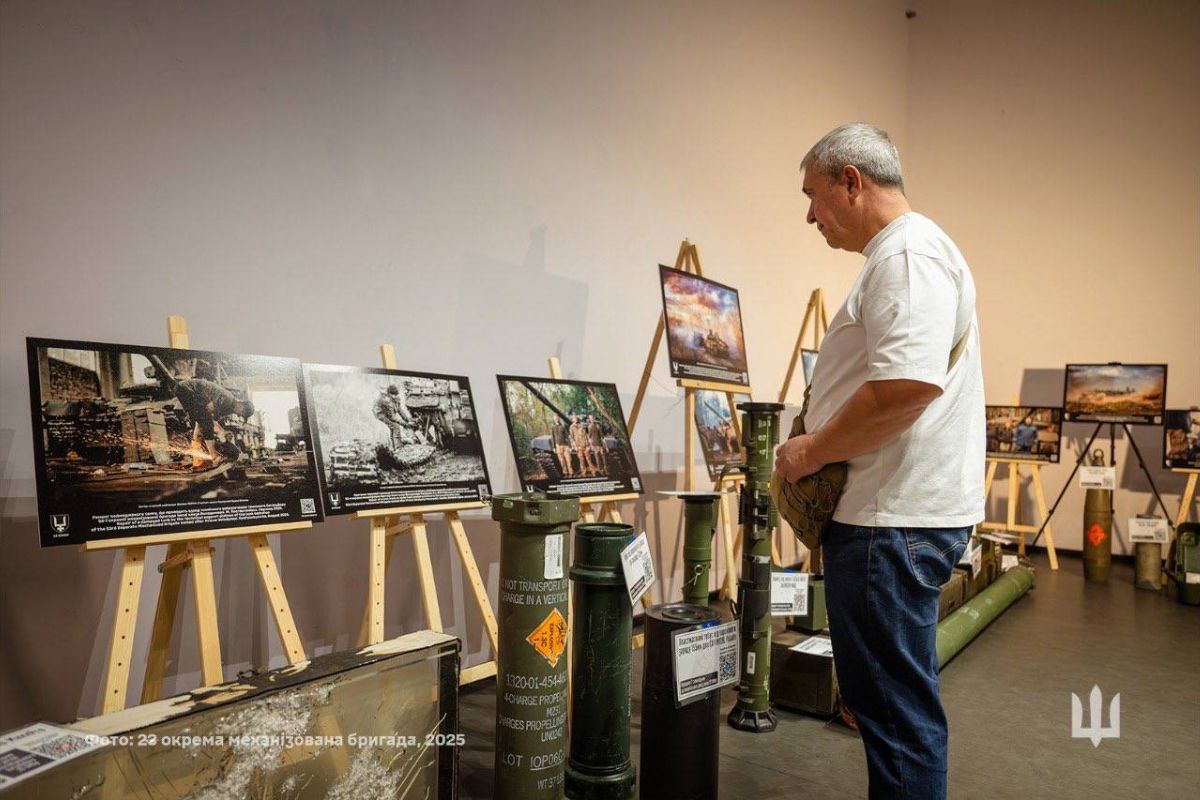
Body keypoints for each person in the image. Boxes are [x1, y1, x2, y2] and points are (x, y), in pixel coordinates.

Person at [774, 123, 984, 800]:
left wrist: (808, 449)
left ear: (851, 182)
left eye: (813, 194)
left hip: (889, 524)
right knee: (890, 706)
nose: (809, 213)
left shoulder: (908, 256)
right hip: (888, 520)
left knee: (893, 714)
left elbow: (905, 388)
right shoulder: (908, 254)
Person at [150, 354, 256, 471]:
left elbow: (213, 420)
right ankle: (214, 457)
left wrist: (223, 432)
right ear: (241, 405)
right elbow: (208, 413)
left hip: (191, 393)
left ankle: (198, 460)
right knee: (205, 422)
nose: (239, 415)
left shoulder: (228, 408)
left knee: (200, 425)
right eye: (241, 413)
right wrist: (221, 432)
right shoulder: (227, 400)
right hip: (189, 390)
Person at [374, 384, 417, 449]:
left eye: (396, 395)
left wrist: (408, 420)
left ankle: (394, 445)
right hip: (380, 414)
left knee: (394, 427)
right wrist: (405, 424)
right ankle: (398, 447)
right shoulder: (387, 401)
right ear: (389, 394)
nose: (395, 396)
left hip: (388, 413)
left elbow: (400, 411)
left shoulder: (396, 398)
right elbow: (392, 417)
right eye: (394, 395)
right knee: (395, 426)